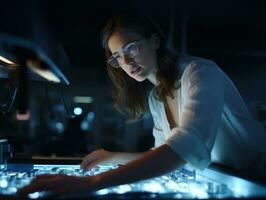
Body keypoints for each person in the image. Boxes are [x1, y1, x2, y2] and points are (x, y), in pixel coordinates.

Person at [18, 11, 266, 197]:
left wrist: (92, 182)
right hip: (222, 178)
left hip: (254, 179)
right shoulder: (156, 97)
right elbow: (163, 152)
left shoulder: (199, 72)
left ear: (155, 41)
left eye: (131, 48)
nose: (125, 62)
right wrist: (113, 156)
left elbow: (188, 145)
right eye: (117, 57)